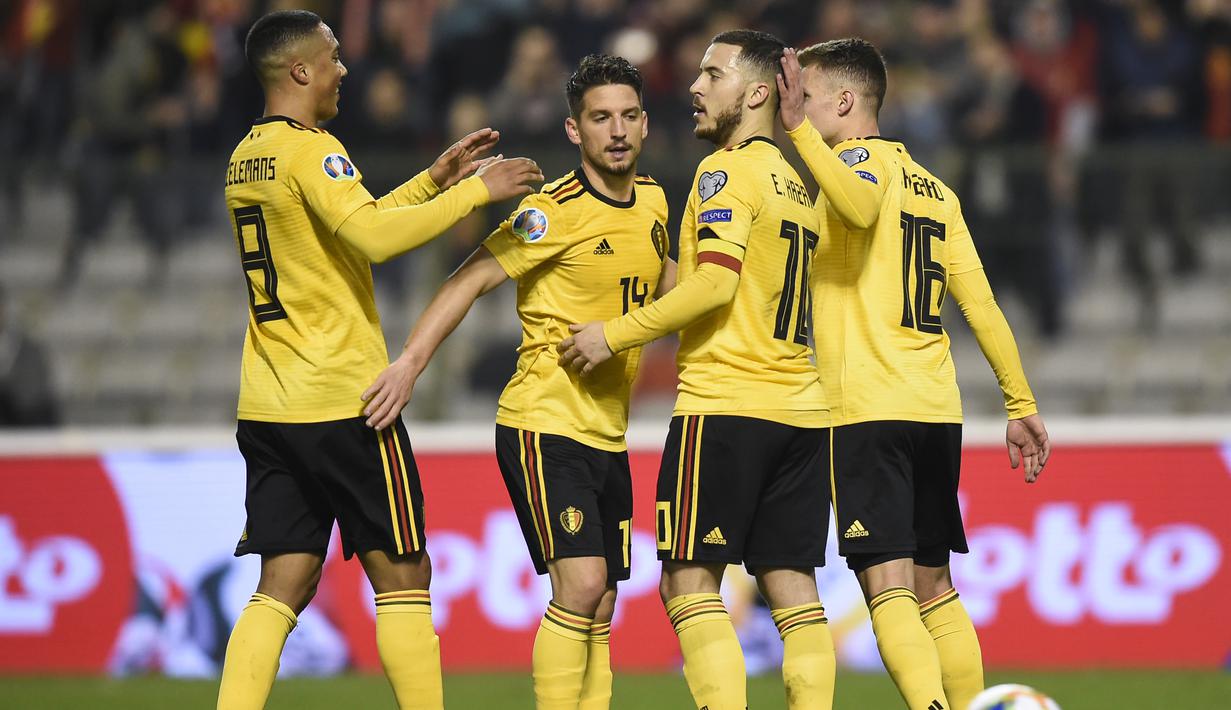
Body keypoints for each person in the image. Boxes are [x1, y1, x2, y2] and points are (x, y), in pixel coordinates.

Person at [217, 10, 542, 710]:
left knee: (286, 581)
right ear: (300, 70)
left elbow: (347, 226)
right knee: (404, 572)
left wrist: (429, 181)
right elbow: (372, 240)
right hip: (344, 399)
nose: (343, 69)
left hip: (270, 404)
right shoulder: (313, 148)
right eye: (332, 57)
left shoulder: (248, 154)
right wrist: (474, 193)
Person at [361, 54, 675, 710]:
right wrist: (410, 362)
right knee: (583, 585)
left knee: (602, 600)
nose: (615, 131)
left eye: (626, 116)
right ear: (573, 131)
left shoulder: (653, 200)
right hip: (543, 424)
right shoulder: (549, 212)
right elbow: (468, 277)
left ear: (644, 124)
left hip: (606, 433)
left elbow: (660, 276)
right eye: (599, 119)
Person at [559, 30, 834, 710]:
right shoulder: (797, 187)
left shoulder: (724, 171)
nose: (694, 85)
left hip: (725, 404)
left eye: (712, 73)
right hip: (800, 410)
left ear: (756, 92)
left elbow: (713, 286)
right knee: (792, 588)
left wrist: (613, 335)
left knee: (688, 582)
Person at [776, 39, 1052, 710]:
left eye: (805, 99)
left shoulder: (851, 167)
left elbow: (860, 206)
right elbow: (981, 306)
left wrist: (795, 136)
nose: (797, 111)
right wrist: (1020, 404)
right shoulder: (935, 189)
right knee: (936, 587)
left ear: (844, 102)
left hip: (863, 406)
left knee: (887, 587)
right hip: (933, 407)